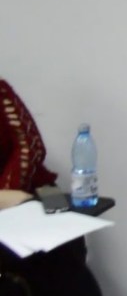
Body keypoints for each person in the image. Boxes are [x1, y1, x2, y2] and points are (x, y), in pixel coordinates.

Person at [0, 78, 103, 295]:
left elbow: (30, 146)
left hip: (37, 184)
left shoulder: (1, 92)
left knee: (65, 240)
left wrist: (9, 192)